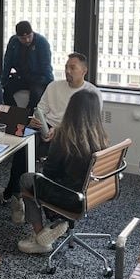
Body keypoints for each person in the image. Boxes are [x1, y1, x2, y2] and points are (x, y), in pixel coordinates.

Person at [0, 53, 102, 217]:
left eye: (72, 68)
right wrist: (36, 121)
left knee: (54, 159)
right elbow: (40, 109)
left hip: (73, 134)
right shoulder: (54, 86)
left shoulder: (91, 93)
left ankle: (33, 193)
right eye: (66, 67)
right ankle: (16, 195)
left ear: (84, 70)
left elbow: (89, 123)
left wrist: (61, 130)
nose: (68, 71)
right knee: (24, 146)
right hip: (45, 127)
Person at [17, 90, 108, 254]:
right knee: (50, 180)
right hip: (89, 193)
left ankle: (40, 237)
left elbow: (49, 173)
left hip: (67, 197)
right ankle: (59, 222)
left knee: (26, 179)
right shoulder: (100, 137)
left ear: (71, 109)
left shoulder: (64, 137)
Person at [1, 21, 53, 112]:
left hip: (38, 78)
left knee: (36, 94)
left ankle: (28, 117)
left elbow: (46, 66)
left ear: (32, 33)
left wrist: (51, 85)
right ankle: (15, 114)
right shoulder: (13, 41)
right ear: (18, 37)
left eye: (29, 36)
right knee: (6, 89)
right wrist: (3, 81)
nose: (27, 40)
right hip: (22, 76)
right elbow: (7, 62)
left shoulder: (42, 42)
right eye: (23, 38)